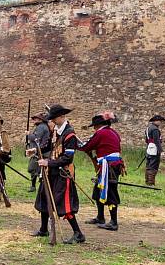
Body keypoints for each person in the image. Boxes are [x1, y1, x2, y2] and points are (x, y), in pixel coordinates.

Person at [33, 104, 84, 244]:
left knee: (63, 204)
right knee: (44, 197)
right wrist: (35, 152)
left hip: (63, 173)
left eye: (54, 119)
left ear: (62, 117)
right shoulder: (56, 131)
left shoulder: (70, 135)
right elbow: (50, 147)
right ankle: (44, 229)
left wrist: (48, 163)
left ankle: (78, 233)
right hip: (51, 172)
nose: (52, 121)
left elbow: (68, 158)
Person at [78, 112, 124, 231]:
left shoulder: (101, 133)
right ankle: (100, 217)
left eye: (94, 125)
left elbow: (87, 147)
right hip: (109, 166)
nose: (94, 128)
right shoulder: (112, 132)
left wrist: (78, 145)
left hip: (109, 166)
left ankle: (114, 222)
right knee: (98, 190)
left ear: (99, 125)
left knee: (111, 193)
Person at [25, 112, 51, 193]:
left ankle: (37, 187)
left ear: (40, 119)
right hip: (39, 151)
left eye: (36, 118)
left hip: (41, 152)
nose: (34, 120)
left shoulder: (41, 127)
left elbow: (36, 138)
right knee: (36, 170)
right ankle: (36, 187)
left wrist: (28, 135)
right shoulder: (41, 126)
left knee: (34, 169)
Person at [144, 115, 165, 186]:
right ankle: (150, 183)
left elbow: (146, 140)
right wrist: (161, 150)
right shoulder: (155, 129)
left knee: (149, 165)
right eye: (159, 121)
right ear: (155, 121)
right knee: (153, 165)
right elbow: (157, 141)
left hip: (149, 147)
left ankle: (147, 181)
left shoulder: (148, 128)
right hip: (155, 149)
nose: (160, 122)